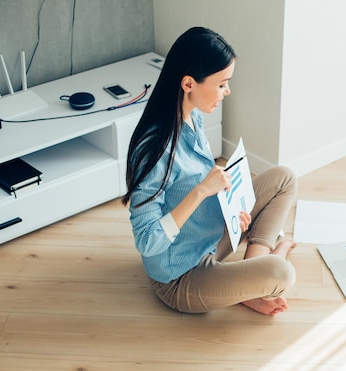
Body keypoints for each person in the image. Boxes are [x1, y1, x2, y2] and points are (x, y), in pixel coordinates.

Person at [121, 27, 297, 316]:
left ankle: (246, 279)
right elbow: (147, 241)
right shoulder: (153, 150)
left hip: (209, 238)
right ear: (189, 83)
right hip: (181, 276)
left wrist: (231, 206)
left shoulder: (193, 118)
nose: (227, 91)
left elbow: (190, 189)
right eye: (221, 84)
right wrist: (203, 189)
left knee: (284, 178)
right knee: (282, 273)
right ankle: (252, 278)